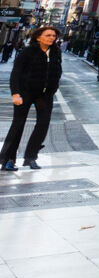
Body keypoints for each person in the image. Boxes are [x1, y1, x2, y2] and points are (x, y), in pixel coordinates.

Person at [2, 25, 62, 171]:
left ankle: (31, 157)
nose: (51, 38)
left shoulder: (55, 52)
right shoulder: (28, 52)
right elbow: (16, 73)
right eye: (48, 35)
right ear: (38, 37)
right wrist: (15, 93)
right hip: (25, 92)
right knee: (18, 125)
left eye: (53, 36)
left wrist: (53, 88)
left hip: (45, 95)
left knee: (43, 124)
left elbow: (57, 71)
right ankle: (8, 159)